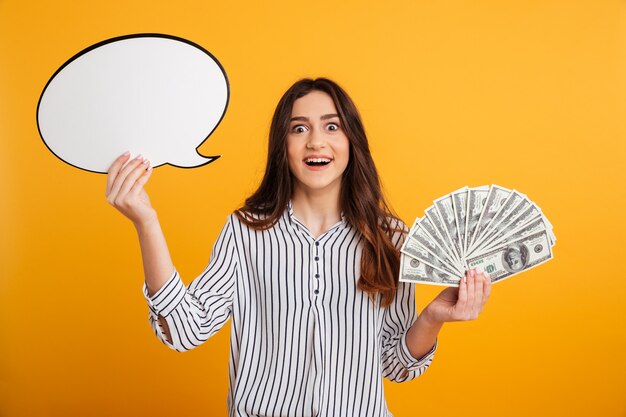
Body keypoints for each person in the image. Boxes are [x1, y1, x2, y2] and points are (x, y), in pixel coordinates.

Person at [105, 78, 491, 417]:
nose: (315, 141)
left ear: (351, 141)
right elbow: (184, 329)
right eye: (299, 128)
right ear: (282, 145)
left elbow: (395, 364)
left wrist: (432, 319)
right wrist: (146, 222)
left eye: (332, 126)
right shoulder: (245, 232)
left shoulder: (390, 238)